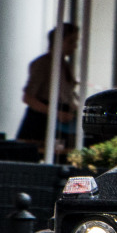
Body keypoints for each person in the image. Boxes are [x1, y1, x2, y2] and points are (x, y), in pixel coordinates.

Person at [17, 22, 79, 151]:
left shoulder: (65, 65)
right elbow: (28, 98)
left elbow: (66, 95)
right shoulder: (43, 64)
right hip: (41, 121)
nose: (75, 46)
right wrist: (56, 113)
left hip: (59, 119)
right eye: (71, 42)